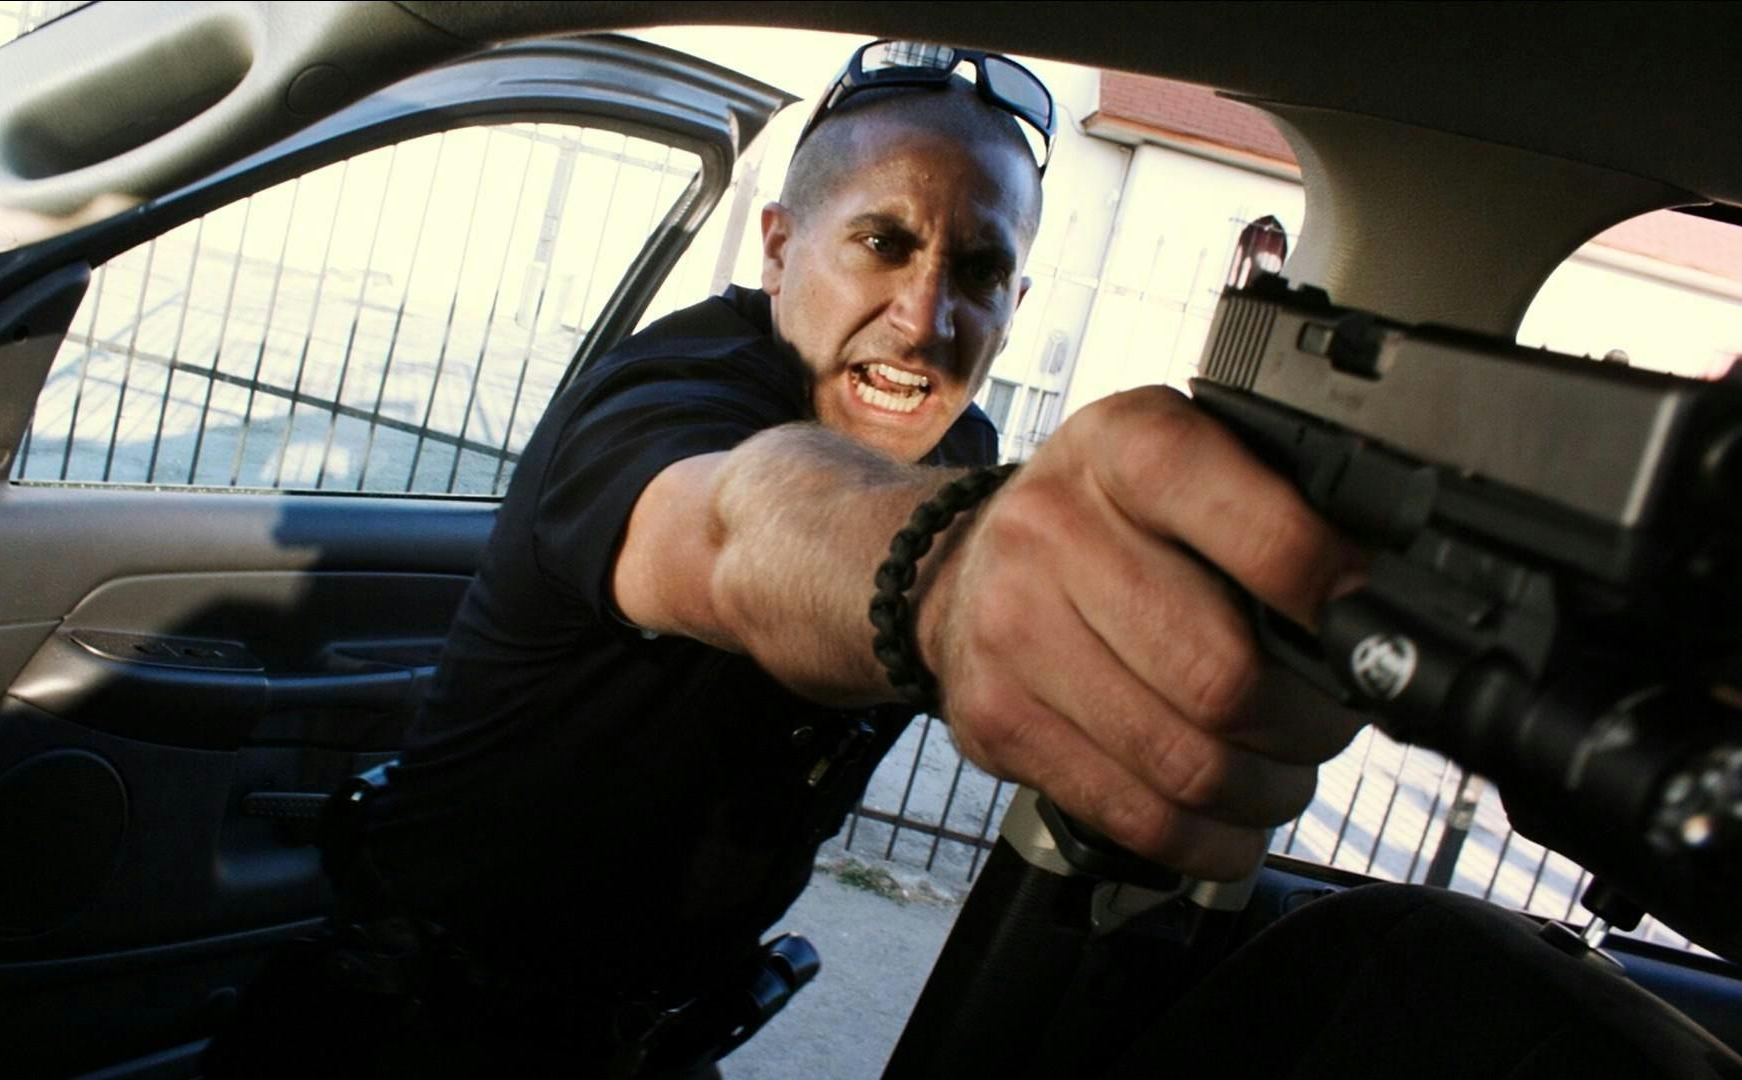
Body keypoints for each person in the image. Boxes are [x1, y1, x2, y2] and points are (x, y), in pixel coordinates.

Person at [209, 40, 1365, 1078]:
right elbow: (732, 526)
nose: (923, 318)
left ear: (1014, 300)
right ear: (778, 247)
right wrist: (949, 577)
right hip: (407, 1037)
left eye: (975, 271)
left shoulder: (957, 444)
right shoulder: (667, 397)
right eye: (883, 242)